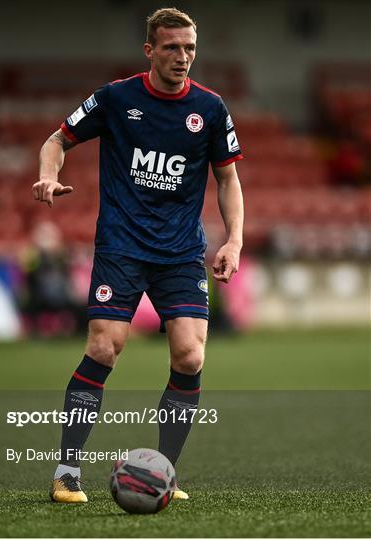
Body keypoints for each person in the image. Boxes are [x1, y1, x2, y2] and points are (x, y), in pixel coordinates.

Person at [32, 7, 244, 503]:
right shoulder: (116, 97)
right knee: (105, 347)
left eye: (190, 47)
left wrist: (233, 239)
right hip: (122, 246)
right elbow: (56, 140)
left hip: (180, 252)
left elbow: (228, 179)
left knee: (190, 356)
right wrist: (47, 173)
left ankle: (165, 472)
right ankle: (66, 472)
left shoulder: (210, 109)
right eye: (172, 47)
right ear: (150, 50)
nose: (183, 57)